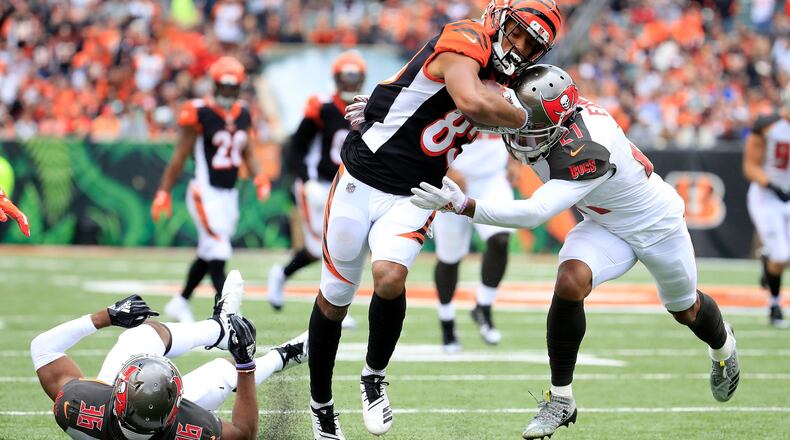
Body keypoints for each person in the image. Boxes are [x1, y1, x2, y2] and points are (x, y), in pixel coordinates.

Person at [410, 64, 740, 439]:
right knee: (570, 281)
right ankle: (561, 399)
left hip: (654, 224)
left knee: (686, 310)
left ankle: (723, 349)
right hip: (603, 222)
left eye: (528, 126)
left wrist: (465, 206)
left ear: (558, 124)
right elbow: (470, 103)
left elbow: (534, 213)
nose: (520, 133)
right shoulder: (544, 111)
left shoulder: (589, 146)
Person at [307, 2, 562, 439]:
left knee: (389, 277)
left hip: (416, 191)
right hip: (361, 177)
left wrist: (385, 100)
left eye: (531, 43)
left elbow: (422, 90)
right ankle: (322, 408)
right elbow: (468, 99)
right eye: (517, 32)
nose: (519, 46)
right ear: (500, 18)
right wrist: (525, 117)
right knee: (334, 300)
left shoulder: (512, 79)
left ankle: (373, 376)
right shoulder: (467, 37)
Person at [31, 270, 308, 440]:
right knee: (224, 371)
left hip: (122, 426)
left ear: (118, 392)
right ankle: (283, 355)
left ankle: (220, 329)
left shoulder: (74, 407)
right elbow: (244, 433)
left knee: (144, 336)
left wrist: (107, 317)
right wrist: (246, 364)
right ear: (176, 408)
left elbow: (42, 349)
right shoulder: (190, 429)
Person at [151, 56, 271, 323]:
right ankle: (228, 314)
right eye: (224, 86)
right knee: (218, 250)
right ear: (214, 85)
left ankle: (181, 301)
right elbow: (180, 156)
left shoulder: (243, 112)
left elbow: (248, 150)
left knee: (209, 252)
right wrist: (164, 191)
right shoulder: (199, 112)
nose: (228, 92)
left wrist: (259, 176)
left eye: (233, 87)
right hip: (204, 191)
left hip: (229, 194)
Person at [268, 50, 367, 330]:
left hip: (346, 185)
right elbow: (296, 148)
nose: (349, 83)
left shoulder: (367, 106)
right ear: (336, 79)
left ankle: (283, 274)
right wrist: (306, 179)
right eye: (345, 78)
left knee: (333, 247)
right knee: (324, 247)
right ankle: (332, 307)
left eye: (354, 78)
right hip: (317, 183)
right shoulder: (321, 106)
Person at [432, 133, 520, 351]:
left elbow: (519, 122)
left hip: (492, 178)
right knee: (449, 257)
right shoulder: (447, 96)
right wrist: (445, 169)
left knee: (500, 238)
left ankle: (484, 305)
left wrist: (516, 158)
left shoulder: (506, 96)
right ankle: (447, 322)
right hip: (451, 181)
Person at [743, 95, 790, 328]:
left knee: (784, 257)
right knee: (780, 256)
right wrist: (771, 184)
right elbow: (750, 165)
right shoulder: (768, 127)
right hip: (767, 197)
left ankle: (767, 260)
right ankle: (774, 306)